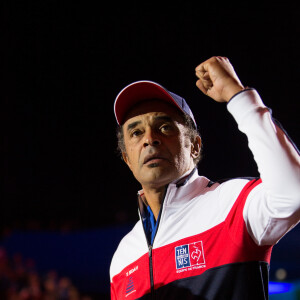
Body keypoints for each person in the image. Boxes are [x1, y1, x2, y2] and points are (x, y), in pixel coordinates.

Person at [109, 56, 300, 300]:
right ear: (127, 159)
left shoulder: (230, 204)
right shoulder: (123, 256)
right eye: (136, 132)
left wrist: (237, 95)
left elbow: (293, 193)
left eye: (165, 127)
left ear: (195, 146)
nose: (149, 138)